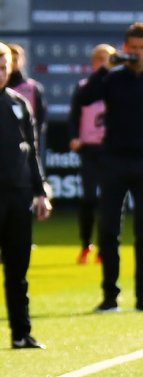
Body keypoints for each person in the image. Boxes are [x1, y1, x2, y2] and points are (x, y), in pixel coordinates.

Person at [77, 22, 143, 313]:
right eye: (133, 48)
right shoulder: (111, 79)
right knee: (108, 230)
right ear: (125, 47)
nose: (138, 53)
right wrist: (105, 68)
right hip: (113, 162)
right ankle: (110, 297)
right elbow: (84, 99)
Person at [0, 43, 54, 349]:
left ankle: (21, 333)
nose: (0, 73)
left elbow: (32, 151)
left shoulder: (19, 103)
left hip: (18, 196)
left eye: (3, 67)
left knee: (18, 269)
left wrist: (40, 190)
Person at [68, 44, 116, 265]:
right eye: (100, 59)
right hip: (90, 149)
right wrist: (74, 136)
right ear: (93, 62)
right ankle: (86, 244)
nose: (104, 63)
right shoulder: (84, 86)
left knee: (110, 201)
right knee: (89, 199)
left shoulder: (118, 85)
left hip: (111, 149)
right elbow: (74, 114)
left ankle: (106, 248)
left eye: (108, 59)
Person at [4, 44, 47, 153]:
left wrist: (32, 138)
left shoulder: (33, 88)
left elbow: (40, 119)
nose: (14, 62)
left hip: (26, 143)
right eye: (11, 59)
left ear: (23, 60)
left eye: (16, 59)